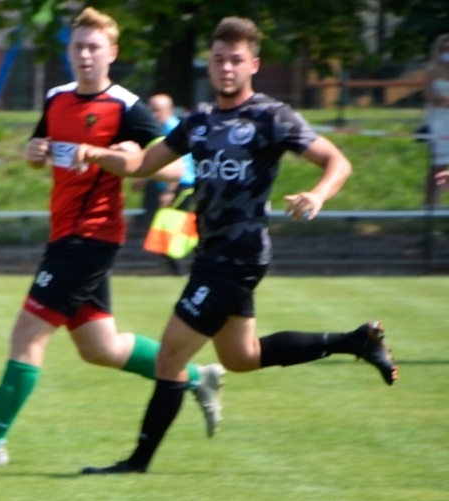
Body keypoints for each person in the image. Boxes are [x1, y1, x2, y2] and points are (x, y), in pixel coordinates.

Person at [76, 16, 397, 476]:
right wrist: (98, 154)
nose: (227, 67)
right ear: (209, 64)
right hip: (211, 254)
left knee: (170, 355)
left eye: (236, 60)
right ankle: (355, 341)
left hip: (237, 258)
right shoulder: (200, 120)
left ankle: (137, 462)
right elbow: (144, 164)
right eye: (219, 59)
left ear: (253, 65)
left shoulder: (271, 116)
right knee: (240, 357)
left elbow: (336, 161)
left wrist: (318, 194)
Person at [0, 8, 221, 469]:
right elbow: (39, 154)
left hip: (91, 237)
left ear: (112, 53)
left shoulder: (126, 107)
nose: (85, 55)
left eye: (94, 47)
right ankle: (198, 376)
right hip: (64, 235)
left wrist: (115, 157)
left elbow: (175, 167)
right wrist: (32, 153)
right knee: (100, 347)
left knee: (27, 334)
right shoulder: (56, 99)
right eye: (78, 46)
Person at [141, 92, 196, 274]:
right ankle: (178, 270)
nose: (153, 114)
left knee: (171, 226)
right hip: (177, 185)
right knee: (169, 226)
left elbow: (177, 163)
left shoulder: (173, 128)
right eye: (151, 110)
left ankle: (181, 270)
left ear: (169, 110)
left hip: (182, 186)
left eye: (157, 110)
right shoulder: (163, 128)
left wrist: (170, 191)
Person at [428, 35, 449, 206]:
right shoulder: (431, 71)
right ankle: (431, 205)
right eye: (444, 48)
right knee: (437, 166)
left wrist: (444, 99)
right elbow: (431, 96)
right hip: (438, 122)